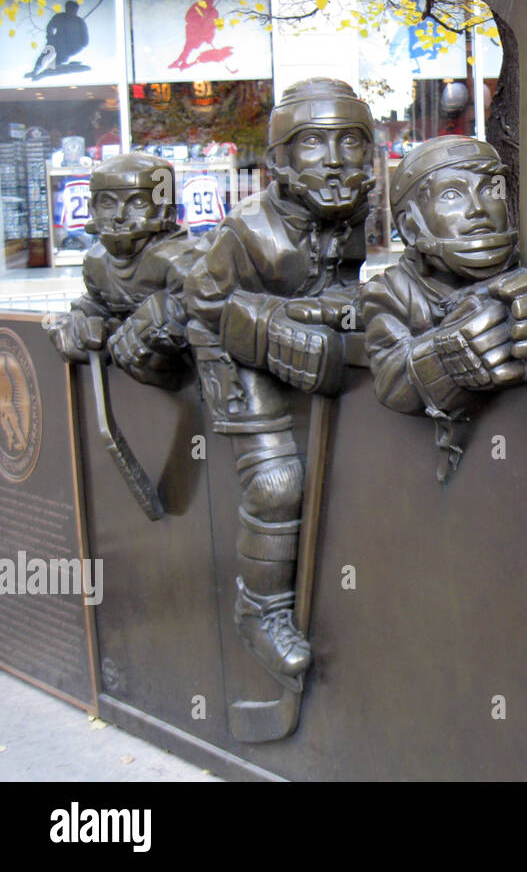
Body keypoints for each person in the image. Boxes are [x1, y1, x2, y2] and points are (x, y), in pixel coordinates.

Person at [183, 78, 374, 690]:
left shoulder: (351, 213)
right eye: (315, 143)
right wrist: (273, 323)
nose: (338, 159)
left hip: (305, 348)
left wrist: (339, 308)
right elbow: (201, 302)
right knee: (276, 481)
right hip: (236, 356)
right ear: (279, 161)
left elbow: (344, 283)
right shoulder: (248, 231)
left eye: (352, 142)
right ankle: (260, 611)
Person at [359, 136, 527, 478]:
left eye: (490, 191)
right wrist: (447, 354)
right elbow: (393, 380)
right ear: (410, 225)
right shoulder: (392, 292)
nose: (478, 208)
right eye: (451, 195)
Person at [45, 153, 198, 389]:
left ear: (164, 208)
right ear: (92, 208)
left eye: (137, 203)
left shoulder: (182, 259)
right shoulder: (97, 262)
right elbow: (97, 304)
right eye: (108, 202)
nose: (118, 216)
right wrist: (78, 322)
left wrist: (166, 318)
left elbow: (210, 318)